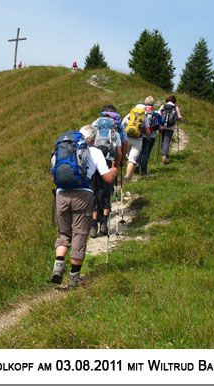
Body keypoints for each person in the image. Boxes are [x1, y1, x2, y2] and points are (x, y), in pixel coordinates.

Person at [51, 125, 118, 288]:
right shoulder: (94, 152)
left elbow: (54, 179)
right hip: (83, 195)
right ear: (93, 139)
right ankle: (74, 278)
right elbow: (107, 178)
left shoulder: (61, 149)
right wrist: (114, 171)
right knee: (79, 233)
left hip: (61, 195)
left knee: (63, 233)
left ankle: (58, 266)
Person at [89, 107, 123, 237]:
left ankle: (93, 225)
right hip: (109, 162)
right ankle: (104, 223)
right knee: (106, 191)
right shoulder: (115, 133)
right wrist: (118, 164)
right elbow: (119, 152)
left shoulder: (94, 131)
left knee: (95, 191)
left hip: (94, 163)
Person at [134, 96, 161, 176]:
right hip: (151, 135)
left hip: (140, 134)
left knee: (139, 150)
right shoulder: (156, 112)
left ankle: (137, 164)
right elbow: (160, 123)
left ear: (145, 102)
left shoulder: (140, 111)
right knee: (146, 153)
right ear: (153, 103)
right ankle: (144, 171)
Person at [122, 102, 146, 181]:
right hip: (138, 139)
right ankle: (127, 177)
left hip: (127, 138)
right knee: (132, 159)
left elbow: (122, 124)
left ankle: (118, 174)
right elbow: (148, 130)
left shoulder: (129, 115)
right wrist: (148, 137)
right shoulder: (144, 117)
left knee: (126, 155)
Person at [158, 95, 182, 164]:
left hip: (162, 126)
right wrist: (177, 119)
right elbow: (179, 117)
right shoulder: (175, 107)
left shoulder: (163, 106)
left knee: (163, 140)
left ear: (167, 100)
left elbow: (158, 114)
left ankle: (164, 153)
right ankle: (164, 156)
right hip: (170, 127)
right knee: (167, 141)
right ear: (174, 101)